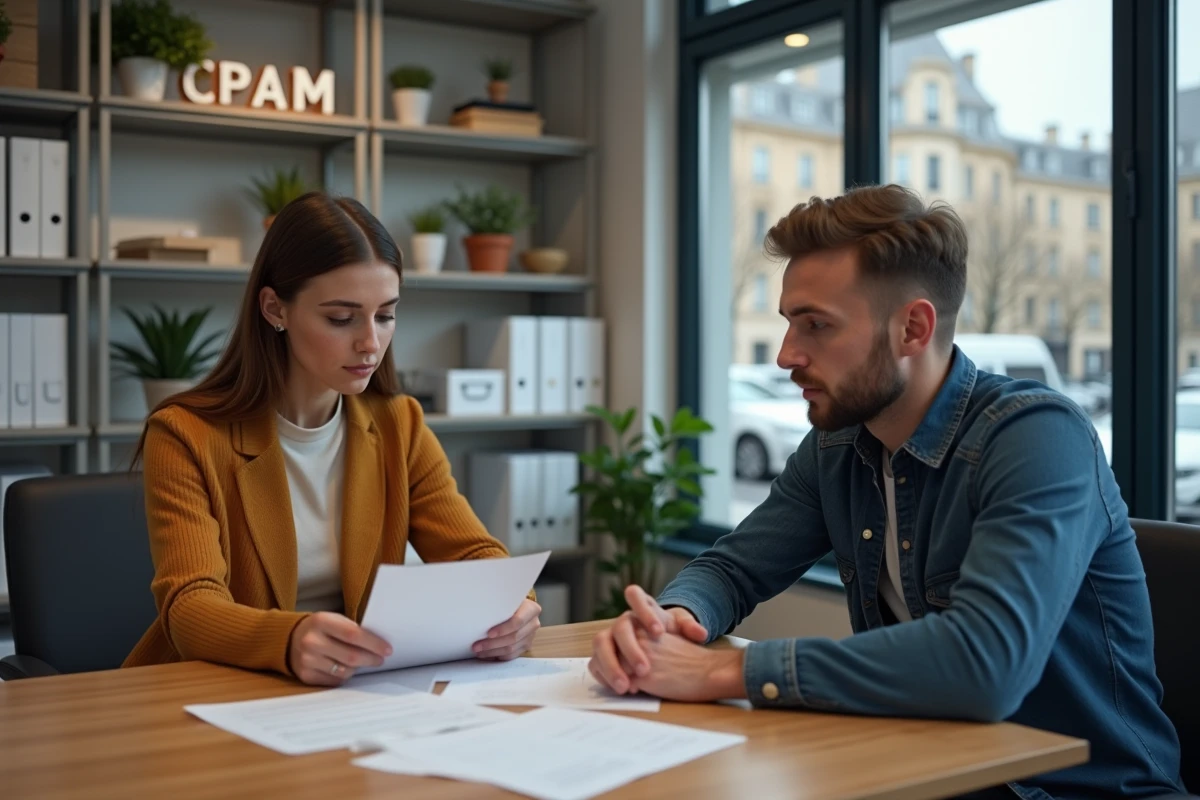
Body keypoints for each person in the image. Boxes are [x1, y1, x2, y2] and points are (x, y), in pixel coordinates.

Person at [589, 184, 1184, 798]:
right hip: (927, 776)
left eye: (816, 325)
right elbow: (733, 570)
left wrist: (726, 669)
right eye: (790, 324)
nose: (788, 355)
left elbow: (986, 666)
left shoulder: (1037, 436)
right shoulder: (839, 444)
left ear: (913, 328)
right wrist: (672, 624)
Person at [124, 191, 540, 686]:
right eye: (341, 318)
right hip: (208, 693)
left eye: (385, 315)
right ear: (275, 308)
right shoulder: (184, 434)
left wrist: (518, 610)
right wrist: (290, 639)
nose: (370, 342)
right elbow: (189, 608)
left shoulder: (399, 424)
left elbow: (476, 557)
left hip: (347, 692)